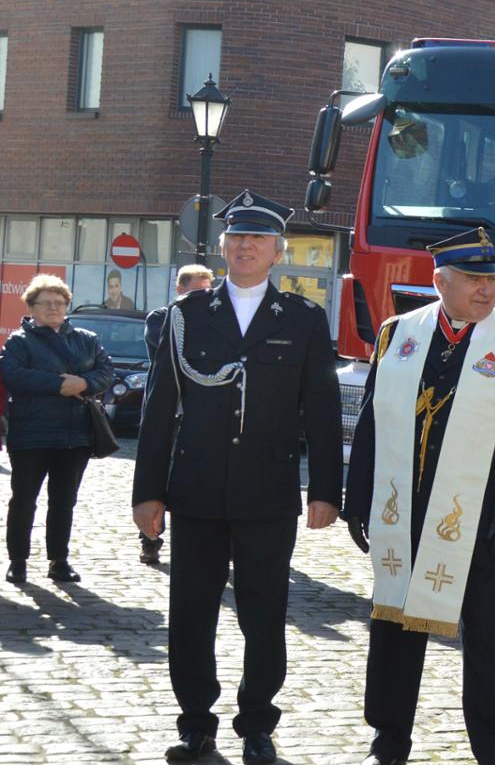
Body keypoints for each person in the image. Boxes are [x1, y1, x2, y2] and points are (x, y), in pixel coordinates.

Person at [132, 191, 345, 765]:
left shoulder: (302, 319)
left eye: (258, 239)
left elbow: (321, 411)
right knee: (191, 613)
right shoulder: (187, 316)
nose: (246, 246)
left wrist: (327, 490)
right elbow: (158, 409)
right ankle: (194, 722)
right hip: (196, 489)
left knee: (264, 614)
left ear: (278, 250)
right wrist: (147, 491)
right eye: (237, 237)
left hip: (268, 494)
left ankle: (257, 720)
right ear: (222, 246)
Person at [342, 228, 495, 765]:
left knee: (485, 637)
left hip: (474, 520)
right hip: (401, 509)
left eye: (492, 280)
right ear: (441, 282)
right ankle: (388, 738)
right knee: (392, 629)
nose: (486, 291)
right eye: (474, 280)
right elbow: (371, 421)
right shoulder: (396, 335)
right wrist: (356, 497)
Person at [2, 275, 114, 585]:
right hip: (31, 434)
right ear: (32, 307)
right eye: (46, 303)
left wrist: (85, 383)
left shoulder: (87, 339)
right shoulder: (19, 342)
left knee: (64, 501)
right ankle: (18, 561)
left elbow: (106, 371)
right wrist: (60, 385)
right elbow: (14, 377)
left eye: (60, 302)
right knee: (24, 500)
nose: (54, 308)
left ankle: (58, 561)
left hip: (75, 433)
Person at [137, 263, 215, 566]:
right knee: (157, 478)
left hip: (202, 414)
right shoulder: (161, 317)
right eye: (197, 291)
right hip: (166, 413)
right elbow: (173, 349)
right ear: (180, 289)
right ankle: (151, 540)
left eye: (208, 291)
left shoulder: (217, 321)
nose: (204, 297)